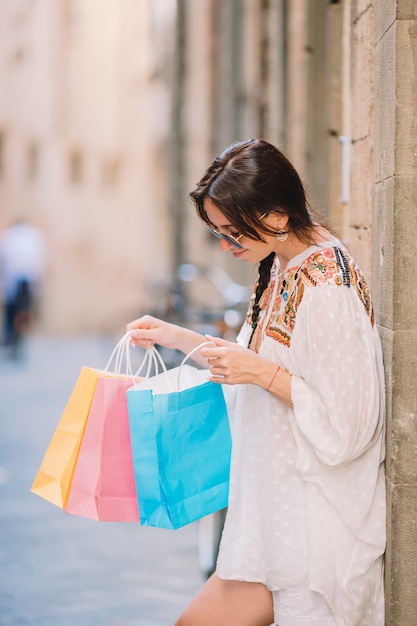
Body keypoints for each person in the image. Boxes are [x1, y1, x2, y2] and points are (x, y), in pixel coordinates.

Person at [127, 139, 386, 626]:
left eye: (233, 231)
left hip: (313, 535)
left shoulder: (327, 287)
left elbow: (352, 427)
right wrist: (176, 338)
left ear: (278, 215)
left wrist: (263, 374)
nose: (227, 245)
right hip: (271, 520)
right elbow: (250, 364)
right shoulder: (281, 266)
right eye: (218, 233)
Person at [0, 219, 47, 356]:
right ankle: (18, 340)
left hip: (13, 283)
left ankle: (12, 339)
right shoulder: (35, 236)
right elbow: (42, 259)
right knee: (24, 313)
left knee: (12, 314)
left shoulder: (8, 237)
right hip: (29, 283)